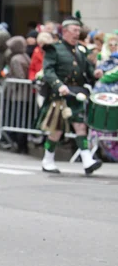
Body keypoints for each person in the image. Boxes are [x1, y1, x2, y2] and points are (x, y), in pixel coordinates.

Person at [38, 17, 102, 175]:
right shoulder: (54, 49)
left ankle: (87, 160)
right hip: (60, 95)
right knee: (57, 129)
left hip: (77, 94)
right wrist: (59, 85)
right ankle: (47, 159)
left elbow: (87, 72)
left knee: (80, 126)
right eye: (74, 30)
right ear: (65, 31)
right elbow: (49, 71)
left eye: (79, 31)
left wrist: (95, 73)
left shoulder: (81, 50)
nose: (77, 33)